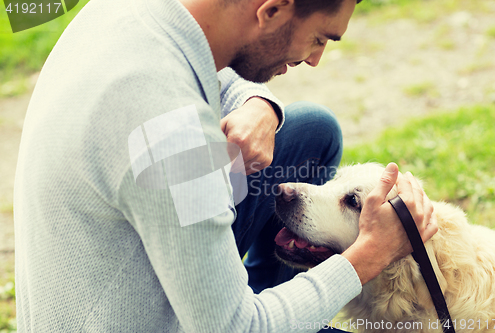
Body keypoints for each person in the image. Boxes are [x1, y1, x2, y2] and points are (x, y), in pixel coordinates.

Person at [13, 0, 438, 331]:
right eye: (320, 38)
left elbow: (208, 71)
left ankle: (264, 293)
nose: (315, 59)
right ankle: (269, 305)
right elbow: (235, 327)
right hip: (146, 321)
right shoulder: (173, 133)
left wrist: (259, 101)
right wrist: (370, 255)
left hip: (113, 285)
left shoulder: (134, 14)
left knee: (311, 131)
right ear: (271, 10)